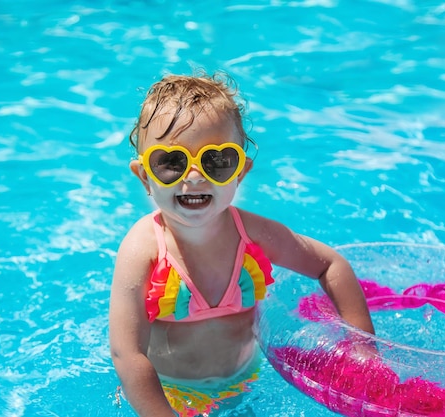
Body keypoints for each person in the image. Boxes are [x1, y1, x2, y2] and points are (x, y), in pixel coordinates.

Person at [109, 72, 375, 417]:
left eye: (216, 160)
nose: (194, 176)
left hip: (246, 387)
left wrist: (363, 350)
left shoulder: (254, 234)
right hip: (168, 397)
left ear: (241, 172)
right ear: (144, 176)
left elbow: (329, 265)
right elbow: (127, 355)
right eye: (170, 162)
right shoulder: (142, 250)